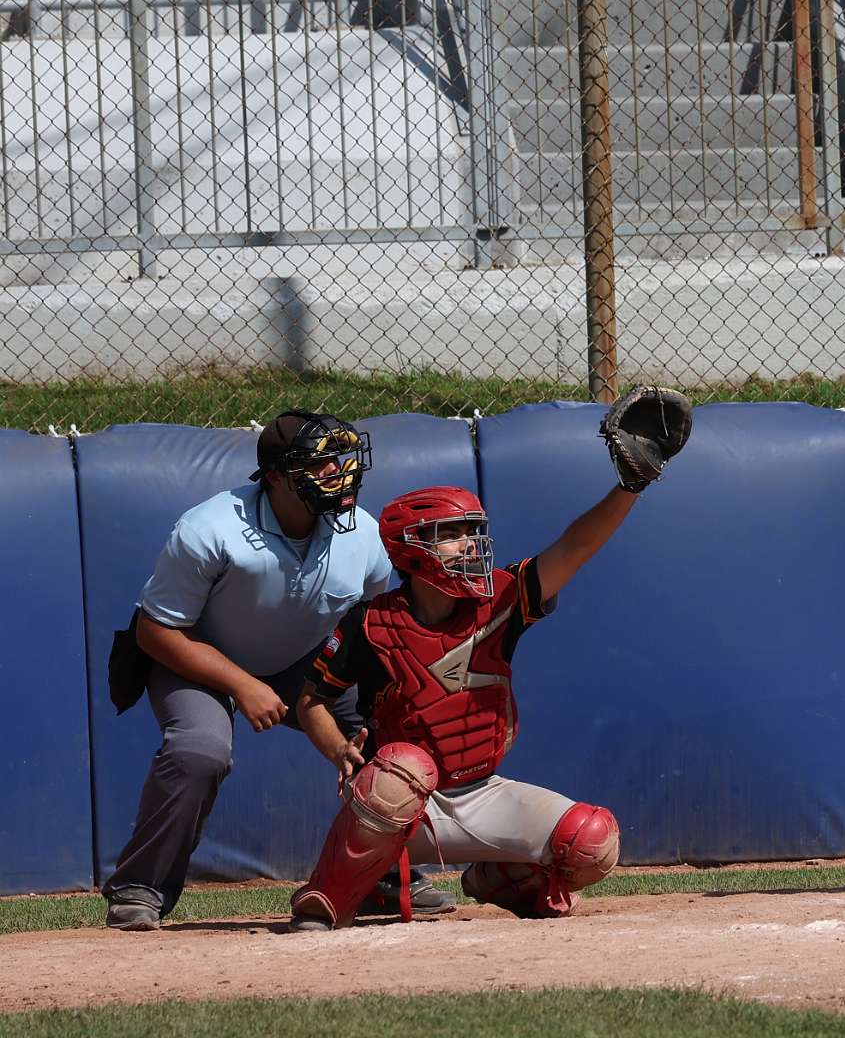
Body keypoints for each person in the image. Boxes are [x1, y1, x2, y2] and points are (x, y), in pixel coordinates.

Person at [285, 386, 691, 931]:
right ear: (409, 548)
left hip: (483, 792)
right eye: (450, 535)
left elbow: (575, 547)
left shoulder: (501, 599)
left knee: (592, 842)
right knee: (402, 770)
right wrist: (340, 750)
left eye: (472, 533)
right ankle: (332, 896)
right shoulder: (371, 622)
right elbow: (312, 701)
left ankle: (497, 879)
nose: (469, 545)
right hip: (402, 806)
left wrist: (629, 487)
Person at [100, 410, 454, 930]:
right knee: (200, 751)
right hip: (195, 656)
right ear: (275, 477)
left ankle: (377, 878)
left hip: (301, 660)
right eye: (320, 465)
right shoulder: (210, 528)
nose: (339, 473)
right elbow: (156, 632)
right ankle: (139, 886)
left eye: (342, 461)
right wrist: (242, 684)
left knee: (387, 740)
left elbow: (376, 626)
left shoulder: (363, 532)